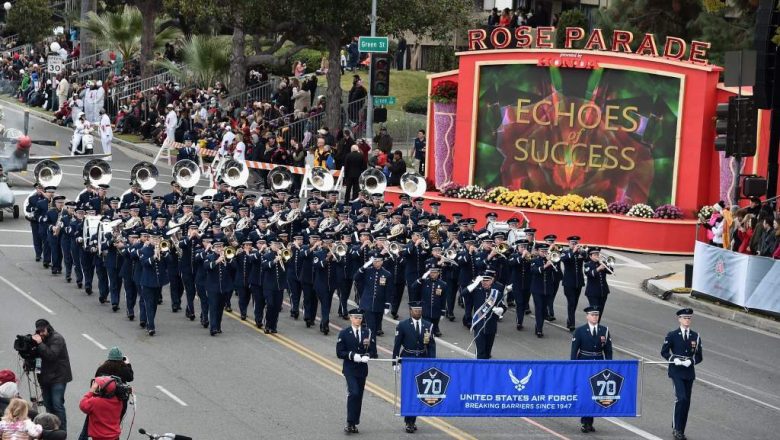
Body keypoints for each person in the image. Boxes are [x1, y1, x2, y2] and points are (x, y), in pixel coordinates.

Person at [392, 301, 436, 433]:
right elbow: (397, 345)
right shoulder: (403, 325)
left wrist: (432, 363)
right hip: (408, 359)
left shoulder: (428, 325)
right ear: (410, 311)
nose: (417, 312)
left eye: (419, 310)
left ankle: (413, 420)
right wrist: (395, 363)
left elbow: (431, 346)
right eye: (415, 310)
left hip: (422, 360)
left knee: (418, 391)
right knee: (409, 390)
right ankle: (408, 421)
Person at [661, 308, 703, 440]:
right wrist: (674, 359)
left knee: (687, 402)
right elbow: (664, 352)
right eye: (684, 318)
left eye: (689, 318)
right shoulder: (672, 335)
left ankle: (680, 430)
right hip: (676, 371)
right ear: (679, 319)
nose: (687, 320)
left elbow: (699, 356)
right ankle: (676, 428)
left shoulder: (695, 336)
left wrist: (691, 361)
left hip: (689, 372)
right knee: (681, 398)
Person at [570, 306, 613, 433]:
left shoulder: (604, 330)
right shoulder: (580, 331)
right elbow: (574, 352)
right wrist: (574, 368)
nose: (595, 317)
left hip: (599, 364)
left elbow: (608, 350)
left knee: (595, 394)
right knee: (585, 393)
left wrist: (608, 366)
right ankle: (585, 422)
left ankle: (590, 422)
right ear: (587, 316)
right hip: (584, 363)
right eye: (592, 315)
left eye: (597, 315)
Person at [336, 308, 377, 434]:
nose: (358, 320)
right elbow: (339, 352)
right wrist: (352, 355)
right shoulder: (344, 333)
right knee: (353, 393)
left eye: (360, 318)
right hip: (350, 369)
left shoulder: (367, 332)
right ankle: (349, 422)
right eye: (355, 317)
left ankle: (354, 423)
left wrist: (368, 355)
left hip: (362, 369)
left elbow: (373, 351)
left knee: (358, 396)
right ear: (350, 318)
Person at [31, 319, 72, 432]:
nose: (41, 333)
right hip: (44, 377)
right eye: (39, 331)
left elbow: (51, 355)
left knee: (57, 404)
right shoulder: (38, 338)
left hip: (58, 376)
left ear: (48, 328)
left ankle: (62, 431)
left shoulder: (57, 338)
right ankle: (51, 429)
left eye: (43, 331)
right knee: (48, 405)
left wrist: (40, 343)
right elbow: (36, 356)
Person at [468, 273, 504, 359]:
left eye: (487, 280)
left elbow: (503, 306)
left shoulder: (496, 294)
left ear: (491, 281)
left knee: (487, 353)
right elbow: (463, 293)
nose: (484, 282)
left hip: (491, 326)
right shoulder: (477, 291)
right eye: (483, 280)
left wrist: (501, 310)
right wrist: (475, 283)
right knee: (480, 353)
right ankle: (479, 370)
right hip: (479, 326)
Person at [584, 248, 612, 322]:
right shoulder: (587, 265)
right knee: (594, 312)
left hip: (603, 292)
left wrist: (607, 264)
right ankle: (591, 327)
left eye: (598, 254)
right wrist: (599, 268)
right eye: (595, 255)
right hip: (592, 293)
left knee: (600, 312)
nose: (597, 256)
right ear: (590, 256)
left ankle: (596, 327)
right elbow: (589, 274)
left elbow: (611, 271)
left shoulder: (602, 263)